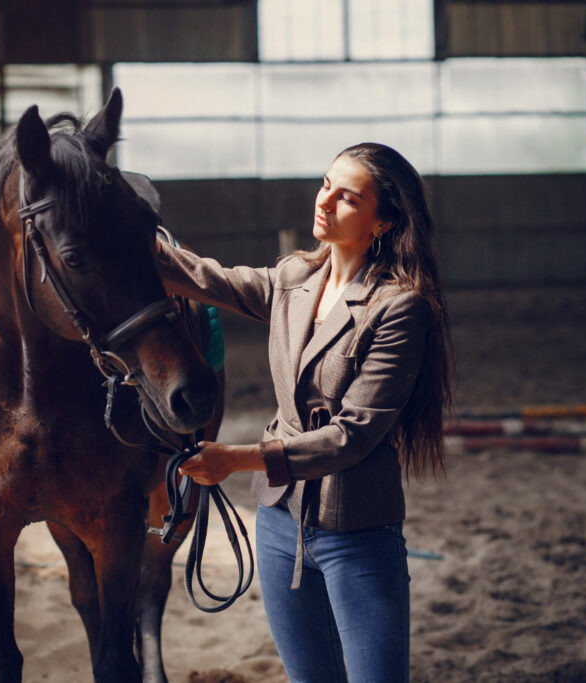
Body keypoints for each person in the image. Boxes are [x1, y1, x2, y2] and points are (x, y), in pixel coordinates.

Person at [155, 142, 453, 682]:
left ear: (381, 222)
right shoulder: (294, 278)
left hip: (357, 533)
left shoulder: (400, 307)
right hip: (277, 523)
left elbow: (352, 437)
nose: (325, 201)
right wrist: (133, 243)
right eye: (325, 185)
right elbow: (209, 279)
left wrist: (236, 459)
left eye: (347, 198)